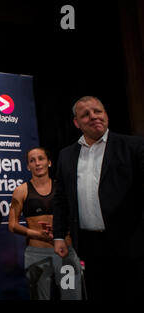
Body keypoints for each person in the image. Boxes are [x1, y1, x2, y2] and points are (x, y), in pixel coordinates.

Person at [53, 96, 144, 300]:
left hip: (130, 244)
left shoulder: (133, 146)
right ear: (77, 123)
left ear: (106, 115)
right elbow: (61, 200)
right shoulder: (66, 155)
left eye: (98, 111)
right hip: (89, 245)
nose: (93, 116)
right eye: (85, 114)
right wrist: (59, 235)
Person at [9, 147, 82, 300]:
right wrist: (39, 235)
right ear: (28, 166)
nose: (37, 163)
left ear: (49, 162)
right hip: (37, 255)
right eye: (32, 160)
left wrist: (61, 232)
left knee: (71, 297)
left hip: (65, 253)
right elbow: (12, 225)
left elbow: (76, 218)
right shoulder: (21, 191)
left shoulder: (63, 189)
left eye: (41, 159)